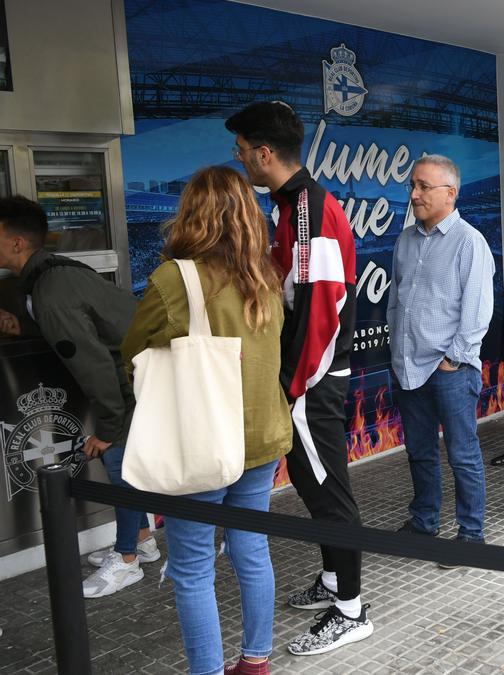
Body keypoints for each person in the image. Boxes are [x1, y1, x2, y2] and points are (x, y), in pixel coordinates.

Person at [121, 167, 292, 675]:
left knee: (194, 568)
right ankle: (256, 660)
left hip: (203, 440)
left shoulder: (178, 278)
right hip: (261, 437)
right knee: (251, 548)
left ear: (191, 213)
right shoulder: (265, 273)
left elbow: (132, 348)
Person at [226, 101, 372, 655]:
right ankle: (336, 580)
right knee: (313, 482)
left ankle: (352, 610)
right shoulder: (292, 207)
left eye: (242, 153)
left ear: (265, 154)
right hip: (306, 378)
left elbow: (322, 307)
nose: (240, 162)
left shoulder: (309, 209)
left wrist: (291, 381)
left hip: (312, 380)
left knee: (328, 489)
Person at [0, 197, 160, 599]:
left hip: (136, 379)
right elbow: (78, 331)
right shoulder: (51, 277)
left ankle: (127, 560)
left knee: (119, 464)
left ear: (18, 243)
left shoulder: (51, 287)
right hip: (138, 373)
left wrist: (107, 429)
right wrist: (24, 328)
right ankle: (142, 538)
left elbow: (96, 366)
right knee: (122, 463)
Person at [388, 155, 494, 543]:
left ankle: (471, 534)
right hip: (408, 367)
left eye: (423, 187)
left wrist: (452, 359)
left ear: (450, 193)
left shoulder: (469, 242)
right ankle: (424, 523)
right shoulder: (406, 239)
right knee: (419, 451)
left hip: (449, 370)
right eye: (413, 186)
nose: (414, 194)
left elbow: (478, 310)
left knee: (462, 454)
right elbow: (396, 301)